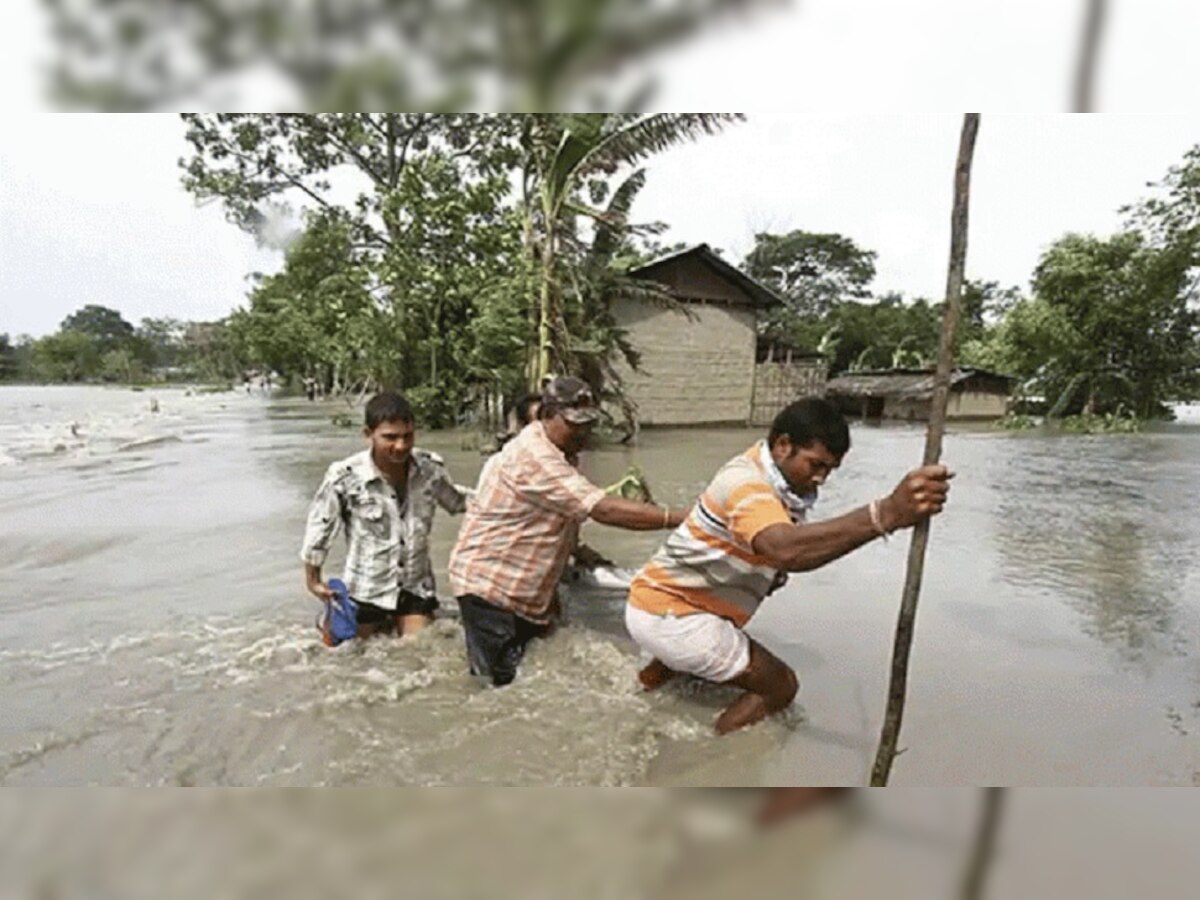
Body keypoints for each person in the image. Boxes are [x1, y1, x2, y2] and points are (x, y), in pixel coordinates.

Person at [624, 398, 952, 735]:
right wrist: (885, 514)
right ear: (783, 446)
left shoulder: (776, 483)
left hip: (658, 602)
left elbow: (781, 549)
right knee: (780, 687)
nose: (821, 478)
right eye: (816, 465)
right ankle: (707, 751)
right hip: (672, 614)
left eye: (830, 470)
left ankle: (637, 691)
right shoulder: (745, 483)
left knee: (689, 660)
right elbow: (786, 549)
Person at [448, 376, 690, 686]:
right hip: (491, 587)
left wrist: (579, 551)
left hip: (526, 588)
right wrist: (680, 517)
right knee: (496, 688)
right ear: (546, 415)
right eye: (574, 423)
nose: (583, 433)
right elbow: (601, 509)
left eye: (588, 424)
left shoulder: (563, 453)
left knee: (534, 674)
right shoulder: (535, 456)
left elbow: (558, 514)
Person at [301, 391, 467, 642]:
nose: (400, 446)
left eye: (407, 436)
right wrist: (313, 581)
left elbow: (458, 502)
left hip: (415, 587)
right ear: (368, 434)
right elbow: (320, 527)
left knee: (418, 651)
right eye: (390, 437)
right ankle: (330, 621)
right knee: (348, 656)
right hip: (366, 589)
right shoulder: (345, 477)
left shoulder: (430, 470)